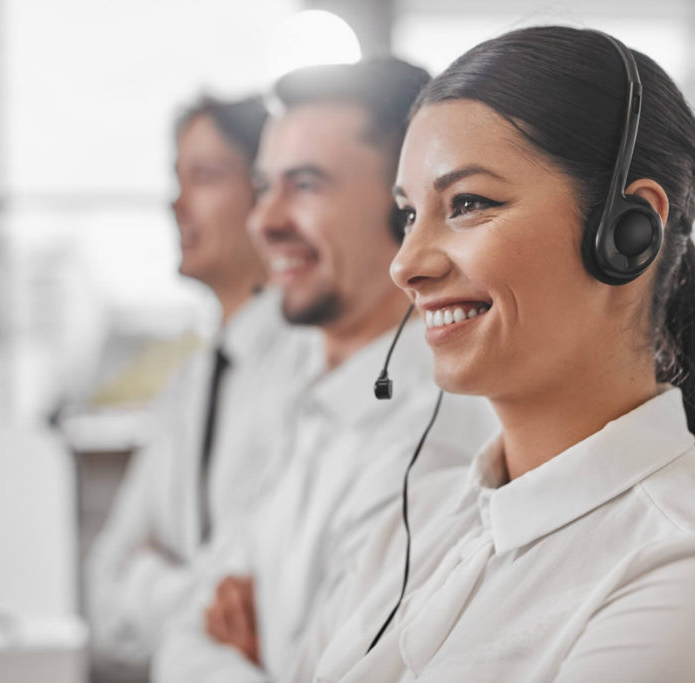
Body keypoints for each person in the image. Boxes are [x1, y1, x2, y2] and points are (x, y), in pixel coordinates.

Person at [295, 27, 695, 681]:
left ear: (628, 232)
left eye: (468, 203)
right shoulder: (412, 524)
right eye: (408, 215)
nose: (406, 264)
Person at [152, 59, 498, 682]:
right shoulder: (306, 398)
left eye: (305, 185)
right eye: (264, 188)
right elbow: (184, 636)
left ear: (408, 209)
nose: (265, 221)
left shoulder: (428, 438)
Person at [85, 95, 307, 674]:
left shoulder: (314, 370)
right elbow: (102, 589)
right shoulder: (186, 387)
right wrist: (193, 602)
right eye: (175, 179)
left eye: (204, 177)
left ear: (268, 196)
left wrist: (148, 578)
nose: (177, 203)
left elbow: (270, 601)